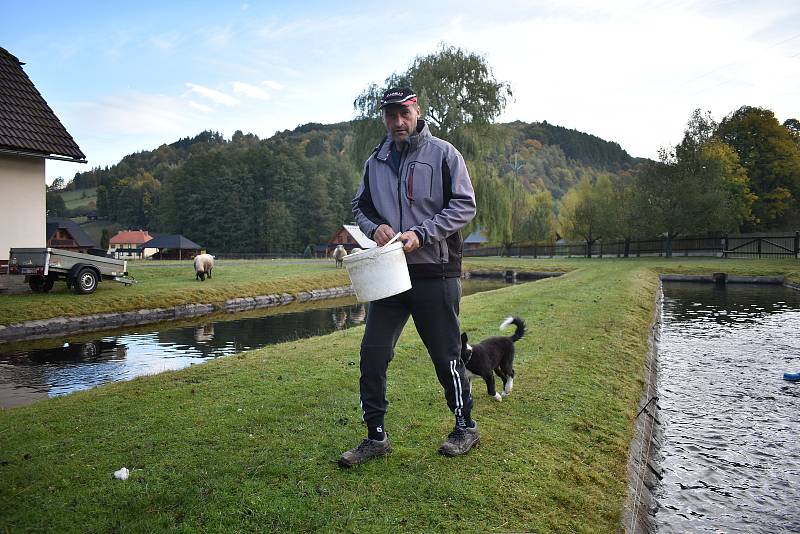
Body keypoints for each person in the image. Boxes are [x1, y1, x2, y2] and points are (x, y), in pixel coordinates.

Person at [339, 87, 478, 467]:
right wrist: (377, 226)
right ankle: (375, 437)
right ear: (384, 117)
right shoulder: (376, 160)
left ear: (417, 111)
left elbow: (465, 205)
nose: (397, 122)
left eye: (404, 114)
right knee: (373, 353)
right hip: (388, 274)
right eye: (390, 115)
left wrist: (423, 232)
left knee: (445, 355)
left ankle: (465, 426)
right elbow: (360, 205)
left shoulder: (444, 154)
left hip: (436, 271)